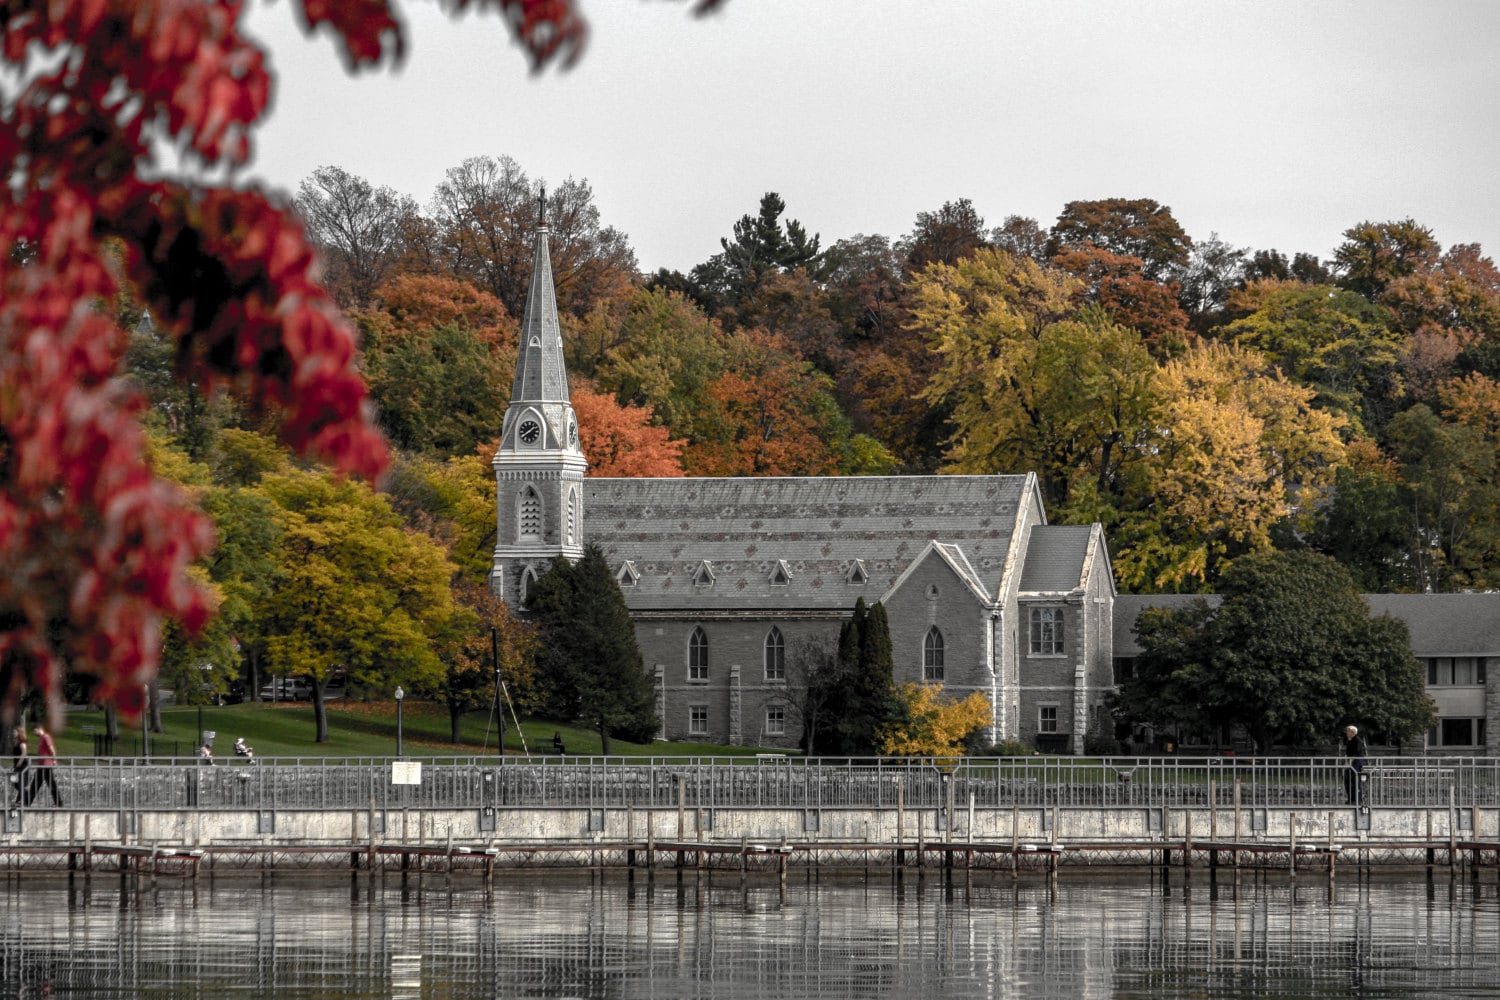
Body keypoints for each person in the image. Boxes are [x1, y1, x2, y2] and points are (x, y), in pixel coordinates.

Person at [26, 724, 62, 807]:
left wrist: (54, 760)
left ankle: (58, 803)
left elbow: (51, 749)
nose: (34, 733)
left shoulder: (46, 737)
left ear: (39, 729)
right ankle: (27, 803)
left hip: (46, 765)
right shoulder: (42, 738)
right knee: (37, 784)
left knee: (45, 784)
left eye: (35, 731)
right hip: (42, 765)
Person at [1341, 724, 1368, 805]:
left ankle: (1357, 799)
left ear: (1352, 732)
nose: (1347, 733)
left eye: (1348, 731)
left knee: (1355, 781)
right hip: (1351, 762)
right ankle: (1351, 799)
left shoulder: (1357, 740)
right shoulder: (1350, 740)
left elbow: (1357, 753)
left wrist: (1349, 759)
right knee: (1348, 781)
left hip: (1356, 763)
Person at [9, 728, 27, 806]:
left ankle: (20, 801)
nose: (13, 733)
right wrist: (15, 765)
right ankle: (19, 800)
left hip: (22, 766)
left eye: (15, 732)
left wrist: (19, 762)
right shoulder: (17, 742)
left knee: (19, 784)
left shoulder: (22, 743)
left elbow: (24, 752)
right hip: (17, 766)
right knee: (15, 783)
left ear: (19, 733)